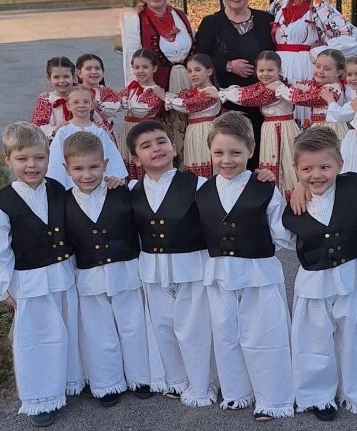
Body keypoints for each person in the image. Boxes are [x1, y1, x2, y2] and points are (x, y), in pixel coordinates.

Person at [283, 127, 357, 421]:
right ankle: (318, 396)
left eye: (325, 167)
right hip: (315, 282)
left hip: (354, 278)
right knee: (314, 340)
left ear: (340, 164)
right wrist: (296, 186)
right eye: (307, 169)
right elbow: (281, 236)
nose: (316, 175)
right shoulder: (292, 203)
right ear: (296, 168)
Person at [0, 122, 84, 427]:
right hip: (30, 283)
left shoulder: (58, 190)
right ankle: (41, 396)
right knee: (38, 340)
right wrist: (2, 290)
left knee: (70, 328)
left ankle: (72, 380)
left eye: (39, 157)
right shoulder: (1, 207)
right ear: (7, 160)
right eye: (22, 159)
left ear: (48, 158)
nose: (31, 165)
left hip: (63, 275)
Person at [196, 111, 295, 421]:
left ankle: (274, 398)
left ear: (251, 150)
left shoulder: (265, 187)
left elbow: (282, 233)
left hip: (257, 272)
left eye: (236, 153)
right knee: (226, 334)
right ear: (210, 152)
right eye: (219, 153)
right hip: (219, 274)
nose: (227, 160)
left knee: (264, 334)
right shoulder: (202, 191)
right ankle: (237, 392)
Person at [126, 120, 217, 407]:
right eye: (146, 146)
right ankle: (177, 379)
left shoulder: (199, 185)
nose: (156, 148)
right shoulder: (131, 190)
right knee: (164, 327)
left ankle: (202, 384)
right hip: (153, 269)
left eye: (161, 141)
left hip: (191, 267)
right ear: (135, 159)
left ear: (174, 147)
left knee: (193, 328)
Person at [62, 132, 152, 408]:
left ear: (105, 164)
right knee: (98, 332)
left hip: (125, 271)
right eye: (78, 168)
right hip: (89, 276)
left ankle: (141, 377)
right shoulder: (62, 201)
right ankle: (106, 382)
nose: (87, 174)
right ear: (66, 169)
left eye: (94, 166)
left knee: (133, 325)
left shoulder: (123, 191)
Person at [196, 0, 275, 170]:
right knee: (233, 145)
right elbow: (200, 57)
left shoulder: (265, 20)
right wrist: (229, 65)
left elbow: (276, 52)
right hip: (227, 99)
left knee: (259, 147)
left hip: (261, 99)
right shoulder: (211, 23)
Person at [268, 0, 357, 126]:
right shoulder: (279, 4)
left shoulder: (321, 7)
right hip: (279, 65)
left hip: (305, 66)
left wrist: (319, 52)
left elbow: (351, 38)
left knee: (303, 107)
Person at [121, 0, 195, 159]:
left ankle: (187, 164)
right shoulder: (135, 19)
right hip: (157, 83)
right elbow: (132, 57)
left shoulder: (179, 15)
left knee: (187, 128)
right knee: (161, 131)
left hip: (185, 80)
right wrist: (136, 91)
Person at [207, 50, 299, 201]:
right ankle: (272, 198)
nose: (265, 74)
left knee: (285, 162)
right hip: (270, 128)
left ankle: (288, 199)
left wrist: (221, 94)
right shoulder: (264, 86)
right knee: (273, 162)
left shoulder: (276, 87)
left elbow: (249, 97)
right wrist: (224, 91)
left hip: (282, 128)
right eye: (261, 70)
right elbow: (248, 90)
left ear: (279, 70)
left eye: (270, 70)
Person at [47, 85, 127, 189]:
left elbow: (110, 156)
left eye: (85, 102)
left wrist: (113, 178)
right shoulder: (63, 132)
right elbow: (56, 160)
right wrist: (59, 185)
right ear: (68, 106)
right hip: (72, 185)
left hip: (97, 182)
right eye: (76, 102)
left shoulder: (99, 132)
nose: (81, 105)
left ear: (92, 105)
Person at [165, 54, 221, 178]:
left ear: (209, 71)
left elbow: (188, 105)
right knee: (194, 161)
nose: (193, 74)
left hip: (206, 131)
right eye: (189, 71)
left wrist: (165, 98)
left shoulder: (210, 92)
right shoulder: (194, 91)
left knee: (205, 158)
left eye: (197, 70)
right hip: (194, 130)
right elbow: (181, 97)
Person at [273, 49, 347, 140]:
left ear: (338, 73)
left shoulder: (332, 89)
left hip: (330, 129)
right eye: (317, 66)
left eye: (327, 69)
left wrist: (280, 88)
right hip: (319, 127)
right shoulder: (316, 84)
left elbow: (304, 98)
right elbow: (300, 85)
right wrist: (284, 81)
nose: (320, 71)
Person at [323, 55, 357, 172]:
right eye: (349, 74)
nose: (353, 78)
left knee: (355, 167)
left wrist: (330, 100)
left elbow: (339, 115)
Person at [118, 49, 166, 180]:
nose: (140, 71)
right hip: (128, 129)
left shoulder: (155, 90)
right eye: (136, 67)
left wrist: (124, 103)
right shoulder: (131, 88)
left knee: (144, 160)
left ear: (154, 68)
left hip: (144, 130)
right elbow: (116, 100)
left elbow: (143, 109)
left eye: (145, 67)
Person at [75, 53, 121, 144]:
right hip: (82, 136)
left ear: (102, 72)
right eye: (88, 69)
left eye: (97, 68)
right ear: (79, 73)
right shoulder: (74, 92)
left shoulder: (109, 92)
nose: (94, 72)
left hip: (106, 136)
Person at [30, 56, 75, 142]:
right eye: (56, 77)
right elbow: (36, 128)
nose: (62, 81)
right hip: (53, 144)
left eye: (66, 76)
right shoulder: (46, 100)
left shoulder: (81, 98)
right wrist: (55, 129)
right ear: (49, 79)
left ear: (74, 77)